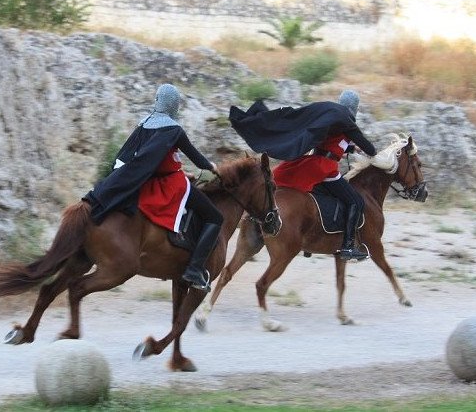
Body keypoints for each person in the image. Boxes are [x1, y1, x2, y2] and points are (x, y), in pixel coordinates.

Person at [84, 84, 222, 291]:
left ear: (157, 101)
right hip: (171, 186)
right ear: (174, 105)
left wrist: (183, 172)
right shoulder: (174, 130)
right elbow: (198, 158)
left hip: (148, 183)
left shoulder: (144, 125)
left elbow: (144, 159)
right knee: (215, 217)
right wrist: (212, 167)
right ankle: (194, 269)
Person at [229, 89, 376, 261]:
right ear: (355, 107)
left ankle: (313, 237)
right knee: (355, 201)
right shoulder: (347, 122)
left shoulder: (331, 114)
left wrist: (351, 148)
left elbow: (330, 141)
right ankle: (348, 247)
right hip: (324, 168)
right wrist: (371, 151)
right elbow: (370, 149)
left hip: (313, 161)